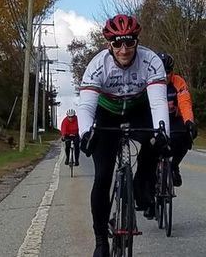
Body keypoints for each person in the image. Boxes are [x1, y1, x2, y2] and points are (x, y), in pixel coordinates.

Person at [76, 14, 169, 257]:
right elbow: (86, 106)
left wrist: (163, 133)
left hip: (138, 110)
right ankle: (100, 241)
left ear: (137, 41)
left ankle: (140, 184)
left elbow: (158, 103)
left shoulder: (151, 62)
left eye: (129, 42)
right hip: (107, 114)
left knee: (156, 141)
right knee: (102, 176)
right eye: (117, 43)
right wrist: (85, 134)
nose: (124, 49)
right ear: (109, 44)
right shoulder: (97, 66)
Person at [159, 52, 197, 186]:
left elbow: (185, 102)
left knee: (187, 136)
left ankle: (174, 166)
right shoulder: (149, 82)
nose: (165, 76)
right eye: (162, 72)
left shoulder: (178, 81)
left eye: (168, 72)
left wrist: (189, 121)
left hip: (174, 119)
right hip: (155, 118)